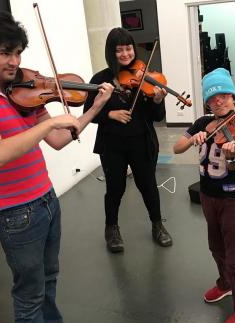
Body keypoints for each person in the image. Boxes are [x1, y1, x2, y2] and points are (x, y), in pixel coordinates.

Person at [0, 12, 113, 322]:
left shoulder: (23, 91)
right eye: (4, 52)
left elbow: (56, 139)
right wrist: (49, 122)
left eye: (17, 53)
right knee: (29, 296)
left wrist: (94, 107)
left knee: (49, 280)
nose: (14, 61)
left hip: (47, 199)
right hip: (17, 213)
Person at [173, 68, 235, 323]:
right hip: (208, 197)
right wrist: (192, 140)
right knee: (216, 246)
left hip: (232, 199)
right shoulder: (202, 122)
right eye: (212, 97)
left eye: (223, 95)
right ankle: (226, 283)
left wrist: (233, 153)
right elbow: (177, 148)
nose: (218, 101)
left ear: (232, 96)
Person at [83, 27, 172, 253]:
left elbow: (157, 117)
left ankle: (157, 225)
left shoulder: (146, 77)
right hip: (112, 144)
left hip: (141, 141)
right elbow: (89, 113)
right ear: (111, 52)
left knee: (148, 185)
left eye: (128, 48)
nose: (125, 54)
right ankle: (111, 228)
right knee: (115, 187)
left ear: (134, 49)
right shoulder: (101, 79)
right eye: (119, 50)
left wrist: (157, 101)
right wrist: (110, 114)